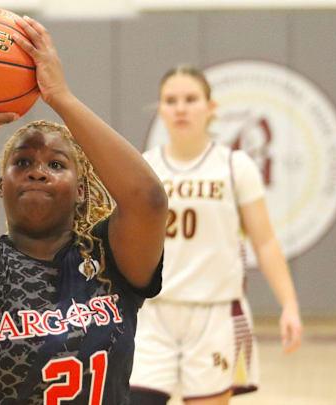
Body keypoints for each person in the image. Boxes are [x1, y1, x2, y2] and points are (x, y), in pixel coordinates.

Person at [0, 14, 168, 405]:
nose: (38, 172)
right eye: (22, 163)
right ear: (2, 185)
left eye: (56, 164)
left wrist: (62, 98)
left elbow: (149, 200)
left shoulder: (110, 262)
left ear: (81, 188)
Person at [129, 65, 303, 405]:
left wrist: (290, 305)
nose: (181, 108)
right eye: (171, 100)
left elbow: (264, 241)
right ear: (160, 109)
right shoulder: (144, 167)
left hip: (216, 314)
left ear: (211, 108)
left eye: (191, 99)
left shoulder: (235, 166)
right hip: (153, 313)